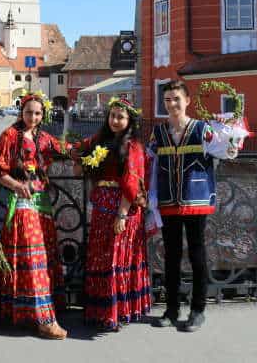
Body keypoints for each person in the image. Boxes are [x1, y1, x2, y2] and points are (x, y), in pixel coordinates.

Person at [148, 80, 239, 332]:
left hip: (196, 199)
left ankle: (198, 309)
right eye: (167, 100)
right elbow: (148, 162)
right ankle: (172, 308)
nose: (172, 104)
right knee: (171, 257)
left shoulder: (203, 129)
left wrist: (232, 136)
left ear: (187, 101)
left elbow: (226, 152)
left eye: (176, 98)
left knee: (198, 256)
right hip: (168, 201)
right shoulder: (158, 133)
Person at [0, 92, 69, 340]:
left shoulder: (44, 138)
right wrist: (16, 185)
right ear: (21, 112)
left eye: (37, 113)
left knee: (43, 259)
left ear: (42, 115)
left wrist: (96, 150)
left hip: (42, 202)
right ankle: (45, 319)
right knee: (33, 259)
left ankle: (28, 313)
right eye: (28, 112)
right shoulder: (10, 136)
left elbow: (66, 150)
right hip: (22, 202)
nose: (32, 117)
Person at [75, 98, 151, 331]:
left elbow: (131, 182)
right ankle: (99, 310)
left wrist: (122, 214)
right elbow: (78, 152)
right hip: (101, 206)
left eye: (121, 117)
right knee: (102, 256)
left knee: (117, 258)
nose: (115, 121)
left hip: (122, 207)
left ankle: (115, 313)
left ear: (129, 121)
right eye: (112, 116)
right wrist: (78, 157)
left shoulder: (133, 147)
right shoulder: (99, 141)